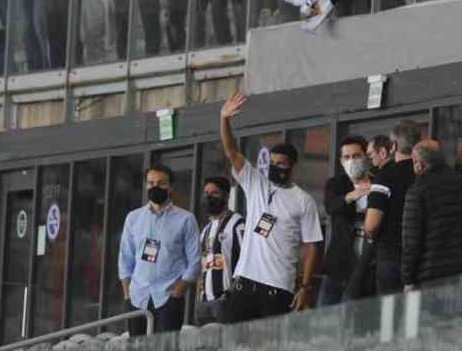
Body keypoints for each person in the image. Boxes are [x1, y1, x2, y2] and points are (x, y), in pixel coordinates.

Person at [218, 91, 323, 322]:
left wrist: (305, 286)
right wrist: (224, 119)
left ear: (293, 166)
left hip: (278, 288)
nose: (276, 168)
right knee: (231, 347)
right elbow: (231, 152)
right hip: (245, 282)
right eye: (272, 164)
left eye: (282, 164)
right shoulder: (256, 183)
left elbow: (312, 246)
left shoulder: (303, 200)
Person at [117, 164, 201, 336]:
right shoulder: (133, 218)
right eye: (151, 183)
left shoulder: (186, 219)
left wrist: (177, 292)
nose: (155, 187)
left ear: (170, 187)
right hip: (137, 298)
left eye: (161, 183)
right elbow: (125, 259)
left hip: (168, 297)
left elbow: (195, 262)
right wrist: (127, 295)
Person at [401, 139, 462, 290]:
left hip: (433, 276)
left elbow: (411, 240)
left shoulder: (417, 191)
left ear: (419, 163)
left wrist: (407, 278)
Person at [351, 122, 420, 296]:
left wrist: (370, 233)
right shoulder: (422, 174)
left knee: (389, 317)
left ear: (394, 146)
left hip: (390, 257)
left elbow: (371, 225)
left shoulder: (384, 176)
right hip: (419, 258)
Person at [322, 135, 372, 305]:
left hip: (367, 268)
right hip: (339, 266)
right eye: (347, 157)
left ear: (366, 157)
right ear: (341, 161)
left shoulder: (379, 184)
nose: (352, 161)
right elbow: (331, 206)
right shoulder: (335, 184)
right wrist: (352, 195)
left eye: (356, 156)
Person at [196, 176, 246, 325]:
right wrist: (200, 292)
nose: (209, 197)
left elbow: (248, 261)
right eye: (206, 193)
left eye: (214, 193)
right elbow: (203, 263)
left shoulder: (238, 223)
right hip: (205, 303)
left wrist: (231, 292)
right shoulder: (205, 230)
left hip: (227, 301)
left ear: (226, 195)